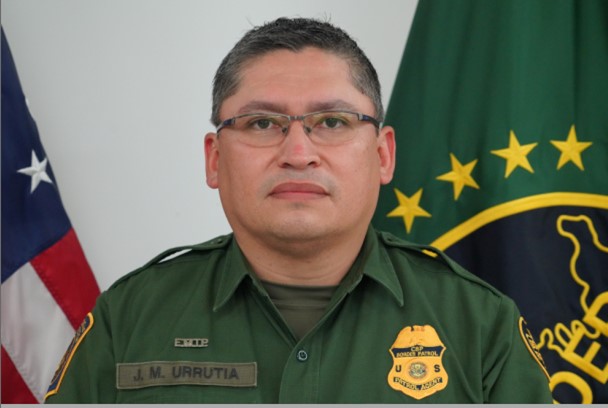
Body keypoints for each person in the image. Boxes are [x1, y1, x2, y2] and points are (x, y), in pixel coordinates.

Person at [45, 17, 553, 403]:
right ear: (215, 160)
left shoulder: (479, 326)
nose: (297, 153)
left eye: (332, 122)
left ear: (383, 155)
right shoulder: (129, 320)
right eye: (262, 124)